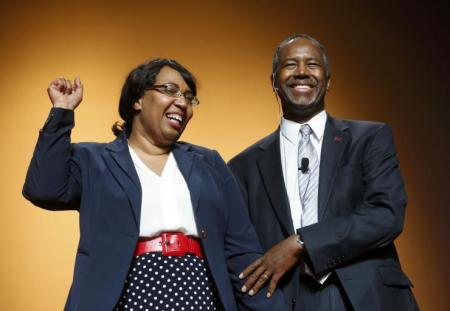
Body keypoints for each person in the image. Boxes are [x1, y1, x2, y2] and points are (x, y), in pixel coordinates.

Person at [23, 58, 287, 311]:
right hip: (127, 296)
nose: (182, 102)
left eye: (188, 96)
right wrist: (62, 112)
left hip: (199, 295)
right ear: (137, 99)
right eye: (169, 90)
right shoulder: (94, 161)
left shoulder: (209, 163)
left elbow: (242, 253)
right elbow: (44, 189)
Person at [228, 35, 419, 311]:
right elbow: (241, 250)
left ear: (328, 80)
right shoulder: (241, 166)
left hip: (368, 296)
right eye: (291, 64)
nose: (302, 72)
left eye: (312, 64)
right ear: (273, 81)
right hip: (288, 299)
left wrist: (302, 242)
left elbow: (386, 214)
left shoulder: (371, 138)